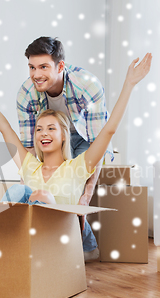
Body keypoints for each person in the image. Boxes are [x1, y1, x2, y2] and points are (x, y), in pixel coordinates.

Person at [0, 52, 152, 257]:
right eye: (38, 129)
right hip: (32, 239)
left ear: (64, 136)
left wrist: (129, 84)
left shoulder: (76, 167)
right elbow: (5, 128)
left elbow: (108, 130)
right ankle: (0, 243)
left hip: (64, 241)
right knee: (17, 191)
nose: (43, 133)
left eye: (50, 128)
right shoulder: (30, 166)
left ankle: (35, 249)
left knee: (42, 195)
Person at [16, 36, 117, 260]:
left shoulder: (87, 86)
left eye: (43, 67)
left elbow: (98, 140)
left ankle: (88, 248)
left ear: (60, 66)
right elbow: (29, 147)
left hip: (85, 136)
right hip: (53, 136)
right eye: (32, 67)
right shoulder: (26, 94)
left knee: (74, 188)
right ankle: (51, 246)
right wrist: (27, 182)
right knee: (48, 189)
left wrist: (86, 195)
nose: (36, 74)